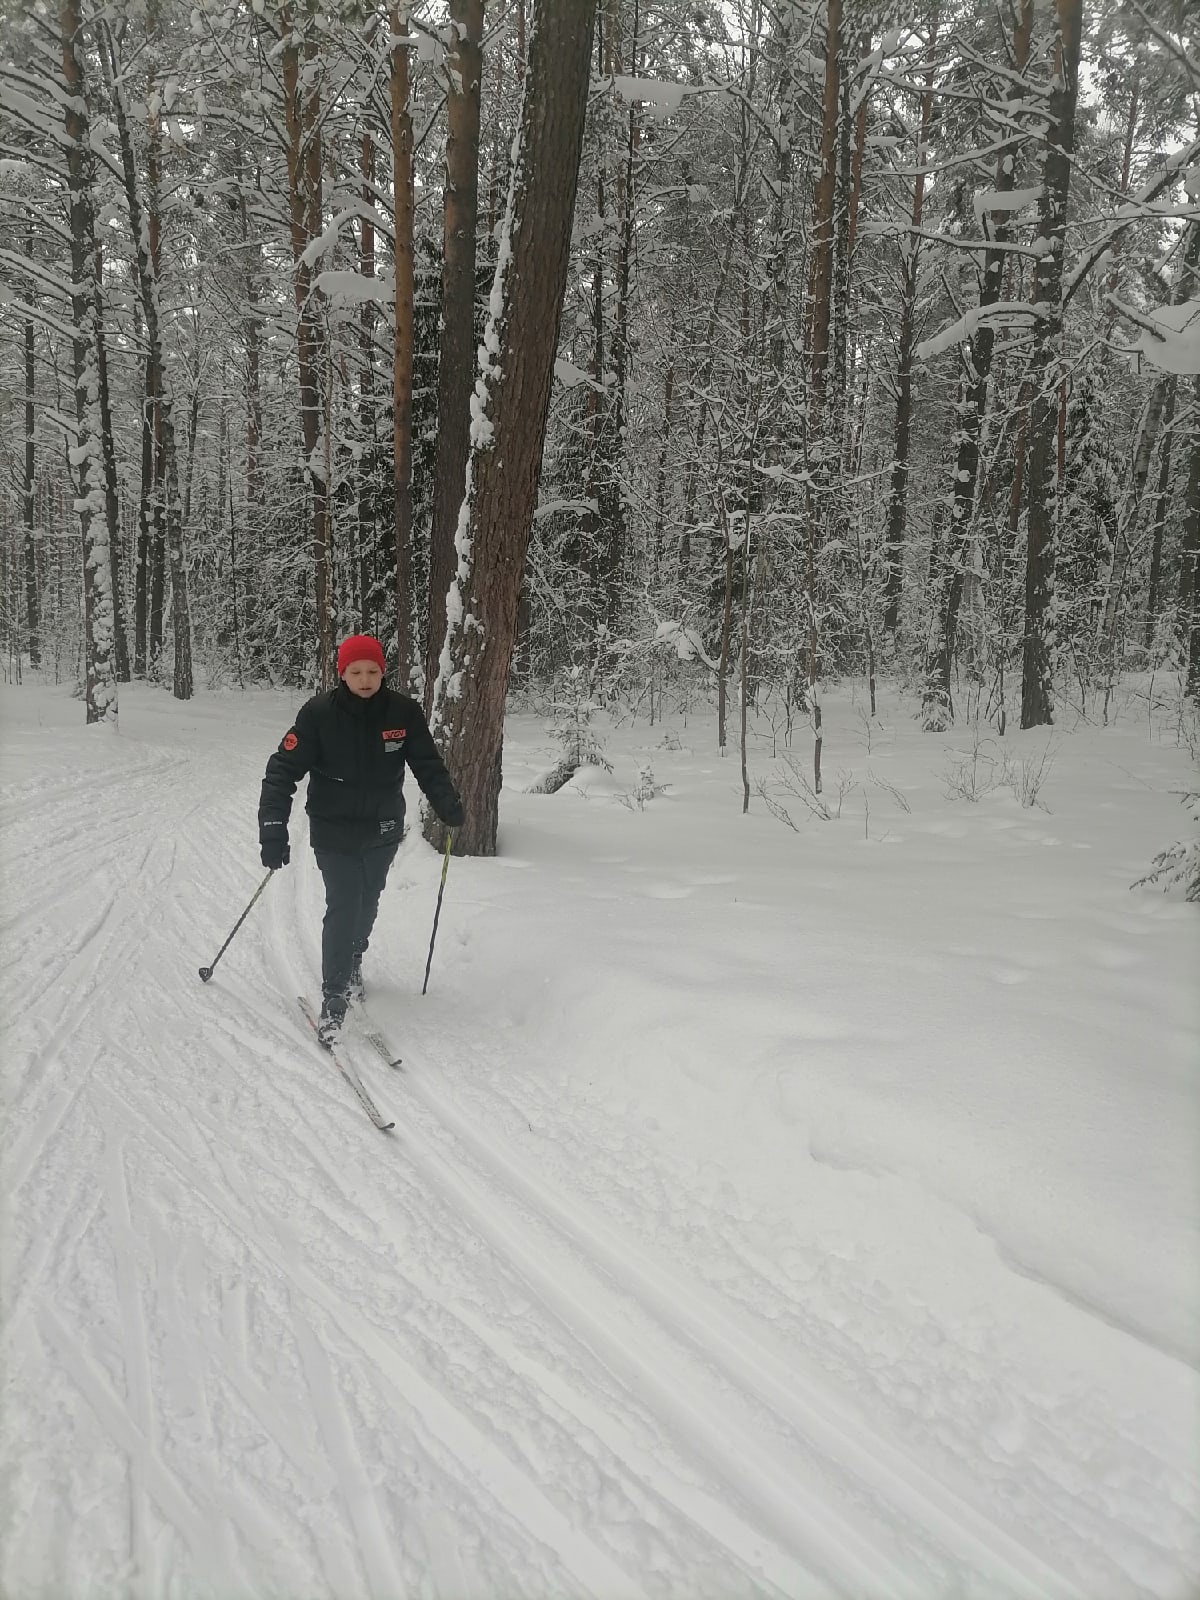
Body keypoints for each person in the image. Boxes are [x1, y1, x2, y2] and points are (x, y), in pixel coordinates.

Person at [258, 633, 464, 1044]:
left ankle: (353, 958)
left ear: (382, 672)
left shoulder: (402, 712)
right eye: (356, 672)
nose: (365, 679)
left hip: (384, 826)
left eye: (372, 671)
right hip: (333, 829)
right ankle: (334, 995)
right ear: (342, 674)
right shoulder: (318, 714)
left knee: (368, 900)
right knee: (344, 902)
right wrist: (273, 828)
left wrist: (447, 802)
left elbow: (427, 763)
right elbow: (281, 771)